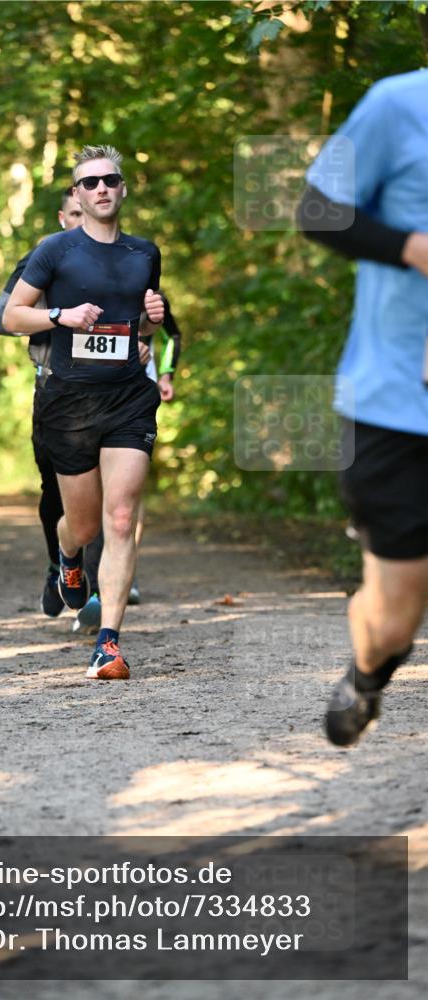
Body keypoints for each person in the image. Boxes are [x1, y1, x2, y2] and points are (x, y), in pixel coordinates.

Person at [297, 69, 428, 746]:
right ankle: (368, 669)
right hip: (395, 405)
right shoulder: (395, 105)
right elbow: (314, 208)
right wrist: (411, 247)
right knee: (393, 621)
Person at [3, 144, 164, 680]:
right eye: (89, 182)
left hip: (127, 399)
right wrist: (61, 315)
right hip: (69, 403)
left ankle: (108, 644)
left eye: (109, 181)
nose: (100, 189)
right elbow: (11, 316)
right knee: (86, 524)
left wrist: (149, 324)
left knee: (122, 518)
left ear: (122, 189)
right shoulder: (55, 250)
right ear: (76, 193)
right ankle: (68, 559)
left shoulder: (145, 254)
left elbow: (135, 328)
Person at [0, 188, 84, 617]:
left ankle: (100, 584)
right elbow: (2, 318)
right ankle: (58, 565)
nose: (83, 222)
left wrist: (142, 340)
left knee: (105, 488)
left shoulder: (125, 254)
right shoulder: (43, 256)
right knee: (55, 490)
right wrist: (51, 311)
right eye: (74, 215)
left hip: (111, 389)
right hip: (54, 386)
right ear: (62, 217)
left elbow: (147, 319)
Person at [74, 292, 183, 631]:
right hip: (91, 395)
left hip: (139, 392)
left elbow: (173, 335)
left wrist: (166, 375)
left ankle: (121, 574)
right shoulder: (82, 284)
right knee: (96, 493)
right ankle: (90, 575)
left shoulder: (147, 289)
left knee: (126, 498)